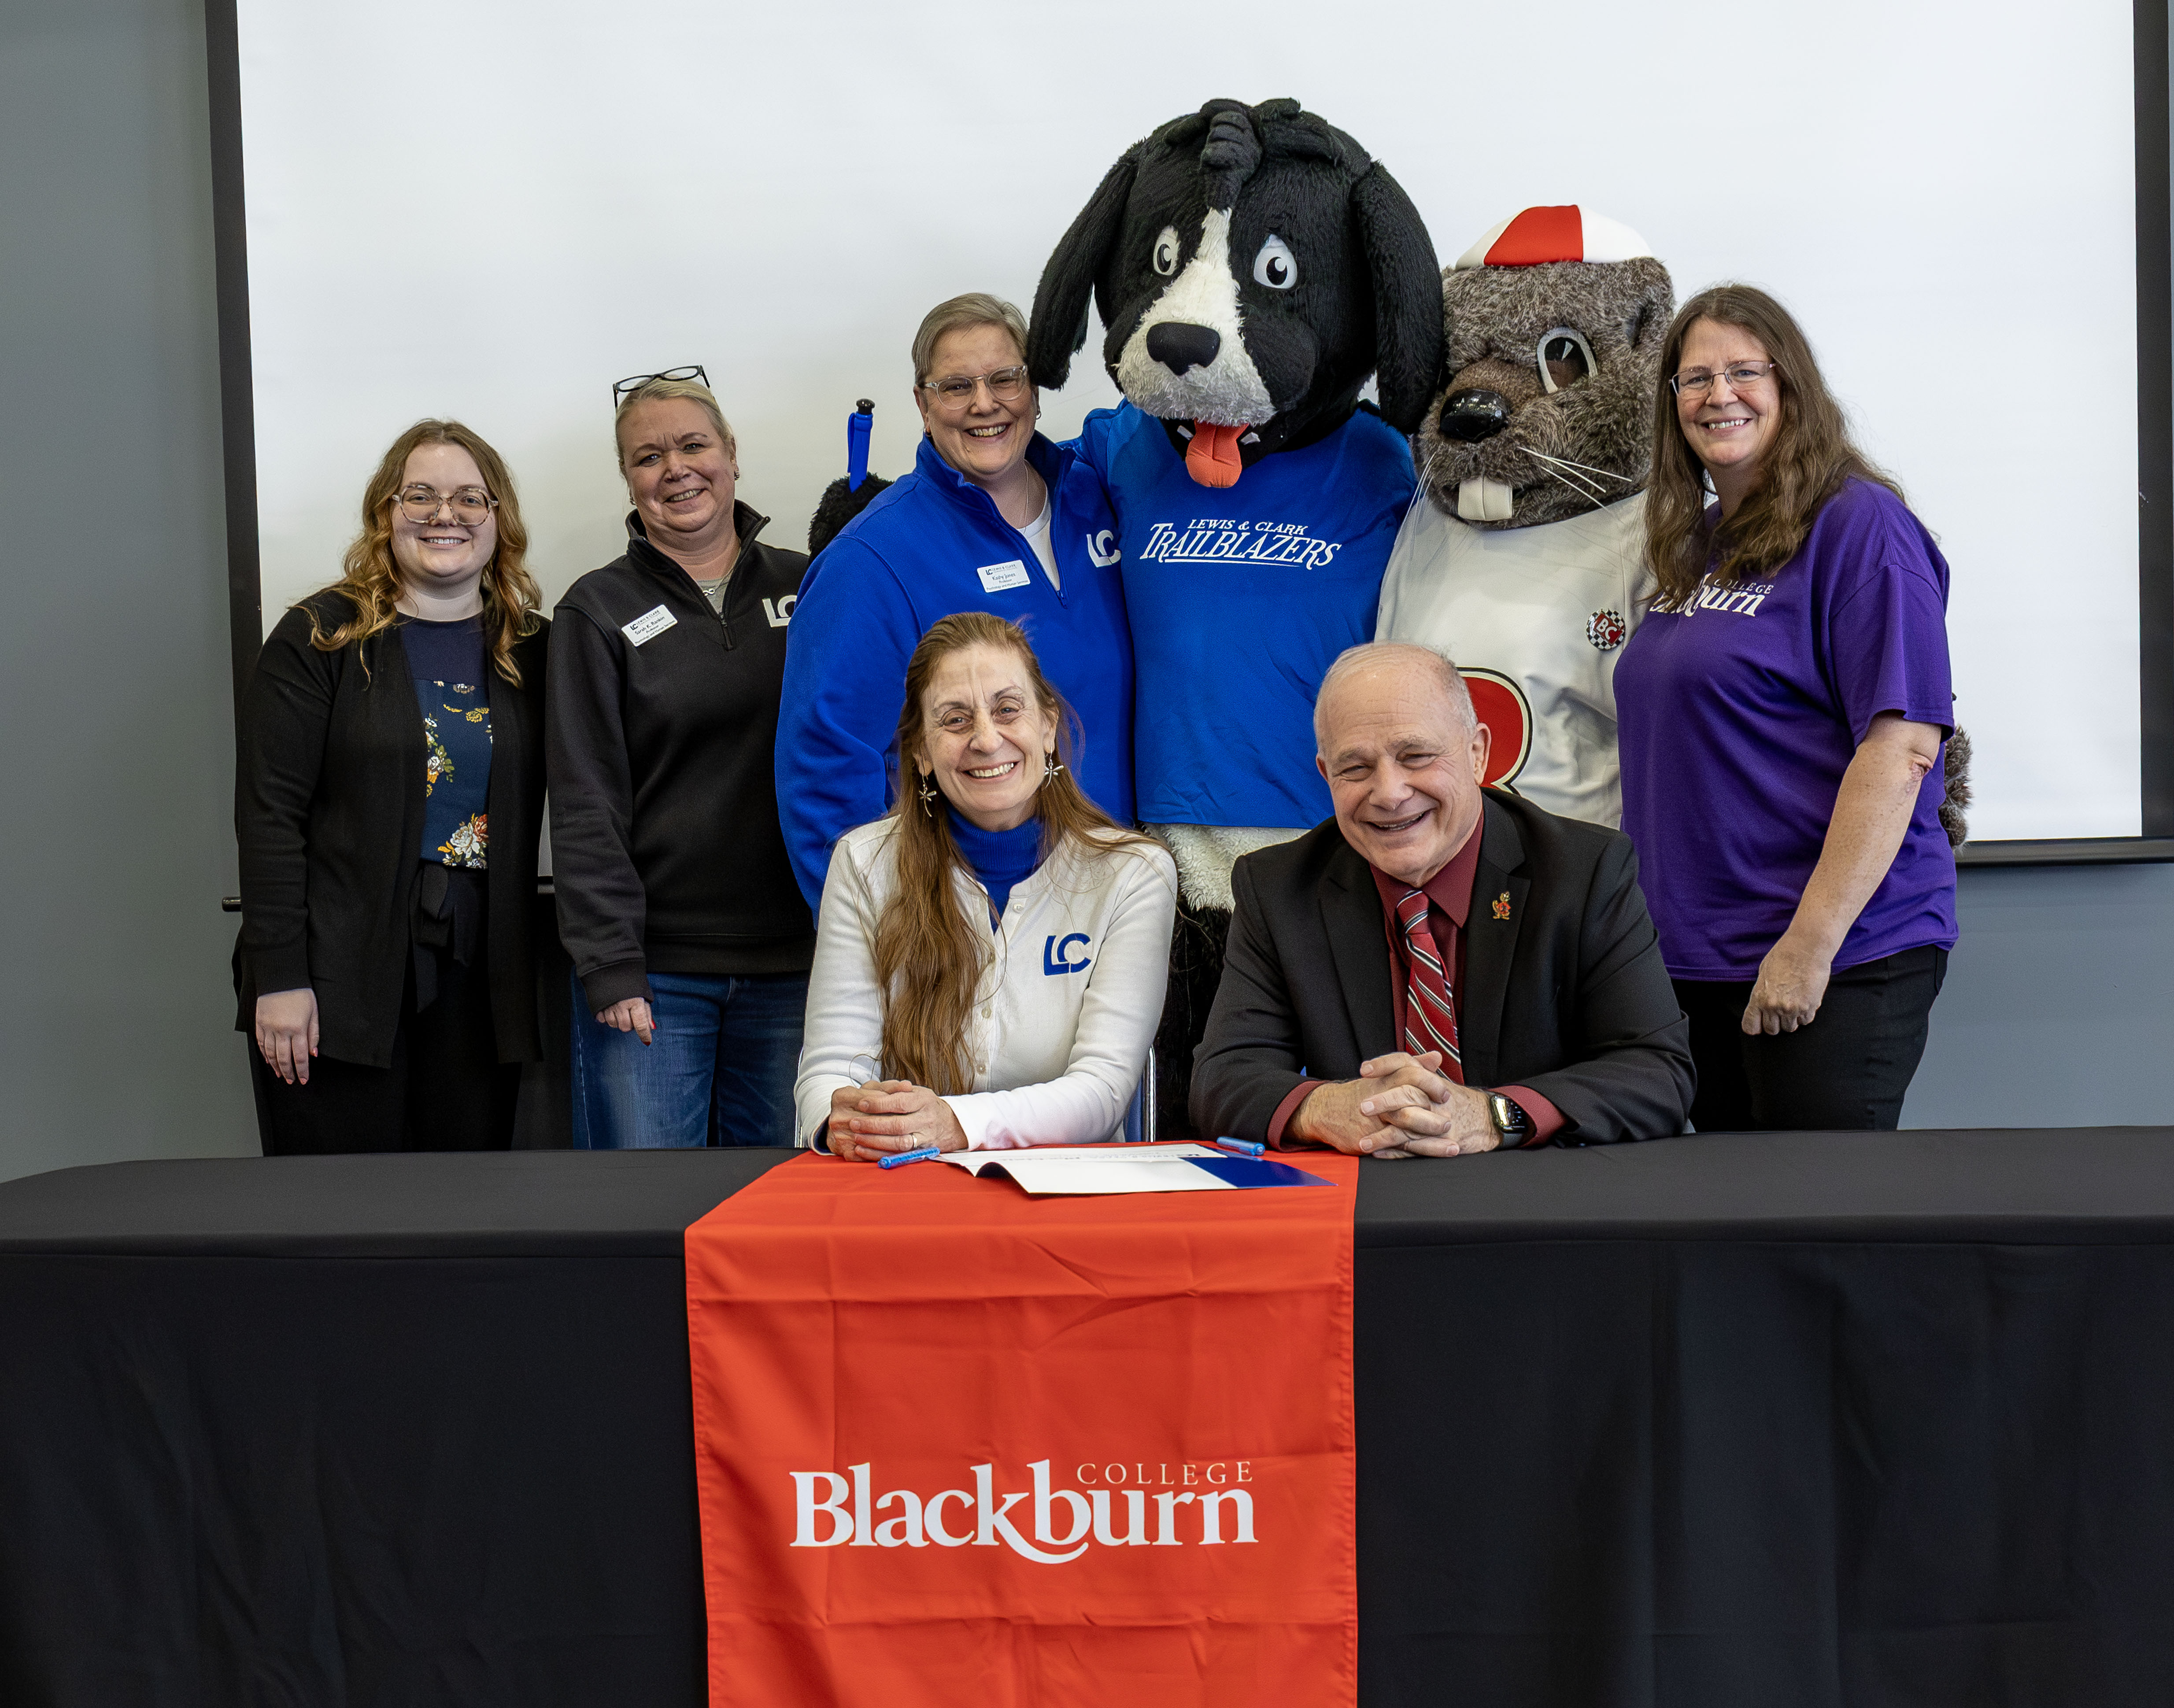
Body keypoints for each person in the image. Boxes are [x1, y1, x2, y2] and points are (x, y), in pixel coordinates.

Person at [1613, 285, 1956, 1132]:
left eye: (1743, 371)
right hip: (1699, 960)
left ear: (1791, 386)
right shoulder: (1692, 542)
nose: (1717, 395)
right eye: (1694, 379)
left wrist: (1805, 951)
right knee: (1728, 1230)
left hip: (1837, 953)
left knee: (1817, 1234)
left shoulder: (1861, 528)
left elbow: (1900, 746)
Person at [1191, 642, 1691, 1154]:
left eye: (1416, 756)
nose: (1388, 793)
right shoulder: (1278, 887)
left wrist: (1493, 1115)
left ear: (1477, 754)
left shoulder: (1585, 871)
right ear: (1326, 775)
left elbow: (1656, 1071)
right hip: (1365, 1206)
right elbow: (1223, 1079)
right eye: (1356, 769)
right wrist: (1329, 1109)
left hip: (1543, 1201)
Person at [235, 419, 548, 1153]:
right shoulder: (321, 636)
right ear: (387, 512)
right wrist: (280, 976)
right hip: (332, 971)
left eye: (472, 497)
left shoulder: (533, 647)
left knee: (464, 1212)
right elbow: (270, 816)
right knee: (339, 1213)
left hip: (480, 973)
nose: (447, 514)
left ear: (499, 519)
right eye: (422, 495)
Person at [775, 294, 1135, 911]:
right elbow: (825, 772)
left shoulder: (1103, 498)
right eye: (955, 386)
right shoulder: (872, 559)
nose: (984, 403)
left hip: (1122, 898)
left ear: (1035, 389)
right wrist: (890, 940)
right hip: (970, 926)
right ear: (921, 404)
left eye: (1004, 378)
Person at [798, 613, 1176, 1160]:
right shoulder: (863, 862)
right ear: (922, 753)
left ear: (1047, 727)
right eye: (955, 720)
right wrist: (848, 1117)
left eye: (1007, 710)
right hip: (906, 1180)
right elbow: (830, 1068)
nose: (985, 738)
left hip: (1070, 1194)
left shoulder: (1133, 873)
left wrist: (956, 1123)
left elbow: (1104, 1090)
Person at [548, 371, 813, 1148]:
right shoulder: (595, 609)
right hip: (656, 979)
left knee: (780, 1216)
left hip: (801, 967)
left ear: (732, 453)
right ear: (629, 480)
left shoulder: (814, 583)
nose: (676, 468)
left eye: (694, 444)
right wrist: (611, 965)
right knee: (646, 1220)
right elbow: (583, 797)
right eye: (648, 456)